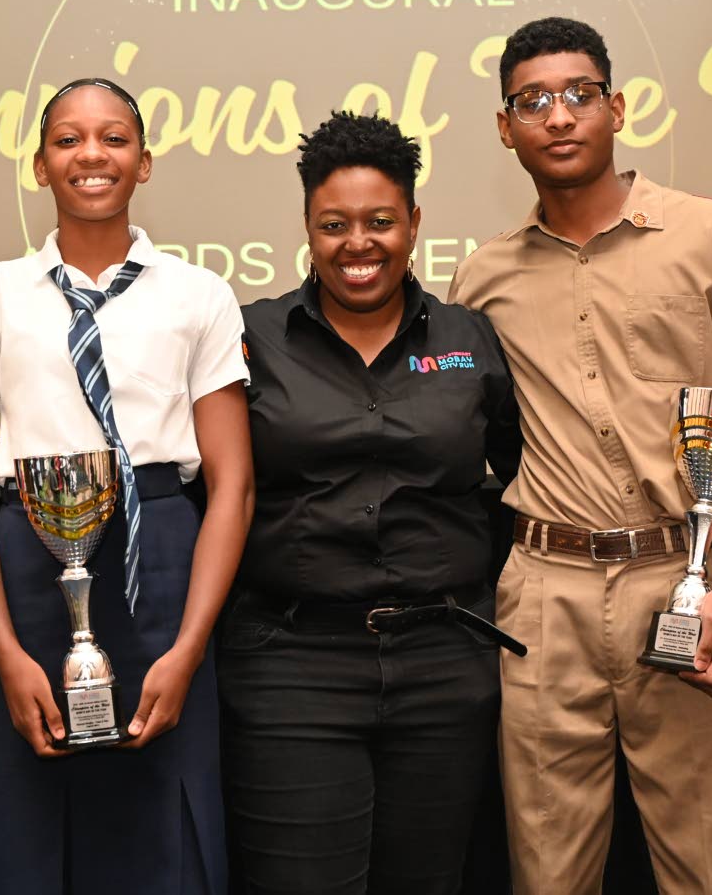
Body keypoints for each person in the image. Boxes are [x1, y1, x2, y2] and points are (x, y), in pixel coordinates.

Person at [448, 17, 712, 894]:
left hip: (683, 581)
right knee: (548, 875)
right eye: (532, 101)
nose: (558, 116)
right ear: (506, 128)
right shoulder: (480, 279)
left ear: (616, 107)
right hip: (543, 597)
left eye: (578, 94)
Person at [0, 77, 253, 895]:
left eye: (113, 138)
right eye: (68, 140)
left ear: (145, 162)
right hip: (29, 569)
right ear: (39, 166)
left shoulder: (199, 294)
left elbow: (234, 484)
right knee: (26, 828)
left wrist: (190, 649)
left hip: (164, 563)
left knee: (165, 832)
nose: (91, 155)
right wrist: (6, 655)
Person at [218, 111, 523, 895]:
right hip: (292, 666)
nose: (359, 244)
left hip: (445, 667)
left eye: (381, 222)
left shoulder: (472, 339)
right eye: (335, 224)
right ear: (308, 229)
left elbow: (531, 477)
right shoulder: (250, 339)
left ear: (415, 223)